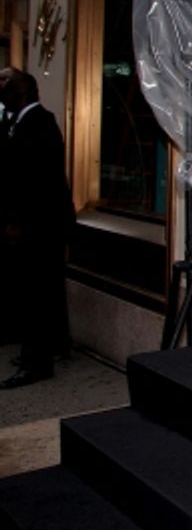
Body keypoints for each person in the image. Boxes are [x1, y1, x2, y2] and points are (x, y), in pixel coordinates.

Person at [0, 68, 75, 389]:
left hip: (39, 225)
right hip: (39, 223)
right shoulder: (22, 122)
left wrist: (17, 223)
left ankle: (37, 362)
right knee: (41, 291)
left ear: (18, 93)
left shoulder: (38, 125)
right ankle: (49, 347)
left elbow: (33, 183)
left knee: (36, 294)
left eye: (3, 87)